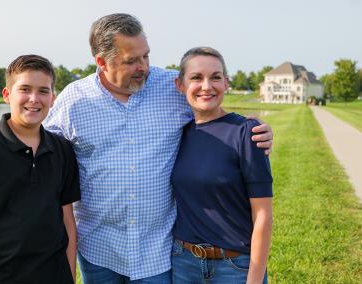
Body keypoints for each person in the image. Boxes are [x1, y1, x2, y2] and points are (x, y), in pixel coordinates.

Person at [43, 13, 273, 283]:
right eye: (132, 60)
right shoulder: (73, 100)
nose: (143, 67)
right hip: (99, 250)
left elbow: (210, 101)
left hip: (156, 253)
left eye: (146, 56)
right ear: (102, 62)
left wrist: (256, 130)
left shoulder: (171, 86)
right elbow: (39, 146)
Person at [0, 55, 80, 284]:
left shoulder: (62, 149)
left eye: (43, 91)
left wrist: (69, 277)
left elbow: (67, 221)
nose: (34, 99)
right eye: (25, 89)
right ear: (7, 95)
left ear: (53, 98)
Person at [170, 47, 273, 284]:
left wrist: (255, 278)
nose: (207, 86)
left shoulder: (247, 133)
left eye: (215, 77)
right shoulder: (177, 133)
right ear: (180, 85)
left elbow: (263, 215)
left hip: (235, 266)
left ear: (226, 83)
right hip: (183, 263)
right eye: (196, 77)